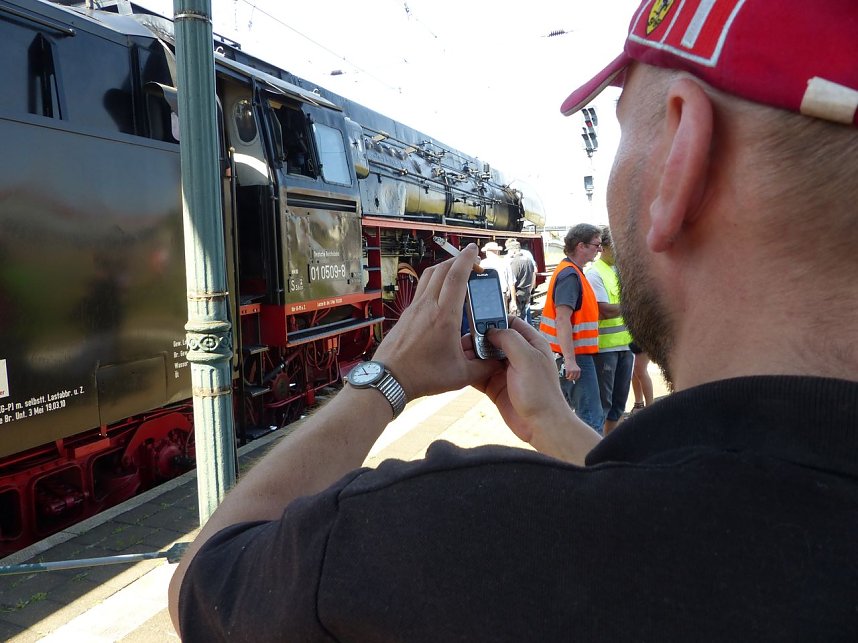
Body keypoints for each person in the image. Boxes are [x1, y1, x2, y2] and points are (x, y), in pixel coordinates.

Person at [170, 1, 858, 639]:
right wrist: (559, 428)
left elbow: (206, 585)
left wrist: (383, 376)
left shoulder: (451, 534)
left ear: (684, 149)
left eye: (620, 126)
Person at [538, 223, 604, 431]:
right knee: (591, 416)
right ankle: (590, 461)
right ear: (581, 246)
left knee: (570, 414)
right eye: (596, 245)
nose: (600, 249)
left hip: (566, 354)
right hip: (575, 356)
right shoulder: (570, 276)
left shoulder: (571, 271)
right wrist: (570, 360)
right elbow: (562, 319)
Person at [585, 227, 633, 434]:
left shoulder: (618, 271)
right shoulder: (595, 274)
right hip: (605, 349)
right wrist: (633, 306)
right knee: (604, 405)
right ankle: (599, 446)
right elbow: (604, 310)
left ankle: (613, 444)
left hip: (625, 346)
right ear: (603, 248)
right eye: (616, 247)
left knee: (619, 404)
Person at [480, 240, 517, 316]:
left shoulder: (482, 264)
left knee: (487, 316)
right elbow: (511, 283)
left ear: (487, 252)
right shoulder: (505, 263)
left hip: (486, 295)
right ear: (497, 252)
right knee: (502, 317)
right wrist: (513, 301)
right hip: (502, 294)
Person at [504, 239, 536, 321]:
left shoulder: (514, 263)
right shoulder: (529, 261)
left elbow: (512, 283)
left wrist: (512, 300)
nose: (508, 253)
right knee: (524, 317)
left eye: (509, 251)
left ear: (513, 250)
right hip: (526, 293)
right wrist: (529, 291)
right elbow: (533, 276)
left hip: (517, 294)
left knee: (515, 320)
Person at [629, 341, 653, 413]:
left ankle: (650, 407)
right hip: (631, 337)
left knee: (640, 370)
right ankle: (639, 404)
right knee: (634, 370)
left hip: (644, 337)